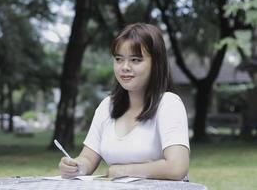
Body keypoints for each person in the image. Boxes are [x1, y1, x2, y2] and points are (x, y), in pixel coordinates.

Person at [58, 23, 190, 181]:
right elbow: (87, 159)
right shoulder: (107, 106)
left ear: (156, 64)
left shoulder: (168, 104)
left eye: (135, 60)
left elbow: (177, 168)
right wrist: (75, 167)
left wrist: (122, 170)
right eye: (119, 59)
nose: (125, 67)